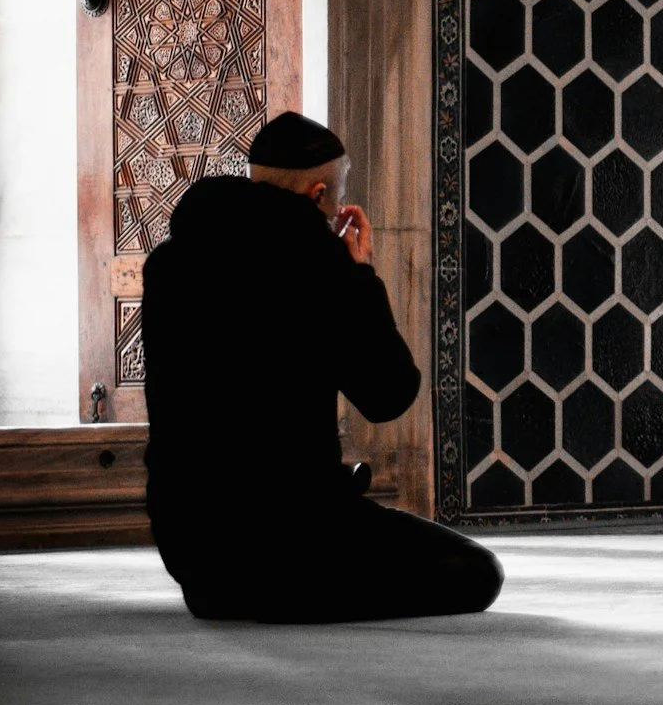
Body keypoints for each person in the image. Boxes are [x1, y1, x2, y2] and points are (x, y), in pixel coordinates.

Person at [139, 112, 503, 621]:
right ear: (318, 195)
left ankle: (243, 593)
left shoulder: (167, 266)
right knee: (478, 573)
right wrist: (362, 278)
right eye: (338, 192)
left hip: (193, 547)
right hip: (294, 539)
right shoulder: (318, 264)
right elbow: (389, 393)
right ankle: (285, 593)